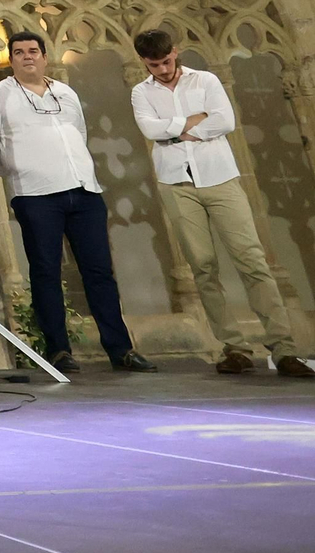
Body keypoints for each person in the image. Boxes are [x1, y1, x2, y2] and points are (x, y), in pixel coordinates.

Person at [129, 30, 312, 378]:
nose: (164, 69)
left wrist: (175, 129)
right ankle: (235, 347)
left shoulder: (206, 80)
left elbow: (225, 121)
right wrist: (196, 121)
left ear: (175, 52)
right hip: (177, 183)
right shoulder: (142, 92)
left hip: (220, 178)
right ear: (144, 62)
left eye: (167, 61)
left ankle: (284, 349)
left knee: (252, 260)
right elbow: (150, 130)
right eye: (155, 64)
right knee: (203, 266)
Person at [0, 30, 157, 375]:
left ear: (44, 57)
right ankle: (58, 351)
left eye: (33, 51)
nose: (27, 56)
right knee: (46, 272)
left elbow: (79, 134)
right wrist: (19, 171)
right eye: (19, 52)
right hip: (36, 195)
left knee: (100, 272)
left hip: (83, 190)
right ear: (11, 60)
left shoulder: (66, 93)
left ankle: (120, 349)